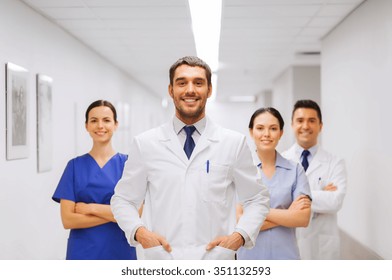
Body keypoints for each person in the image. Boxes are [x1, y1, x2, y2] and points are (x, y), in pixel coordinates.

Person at [111, 56, 270, 260]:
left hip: (216, 261)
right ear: (171, 90)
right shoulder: (146, 144)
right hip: (163, 261)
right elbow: (123, 199)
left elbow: (257, 198)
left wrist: (239, 237)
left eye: (198, 82)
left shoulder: (233, 143)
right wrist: (140, 233)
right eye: (182, 82)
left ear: (209, 90)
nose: (190, 90)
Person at [52, 100, 137, 260]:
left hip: (119, 249)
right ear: (86, 126)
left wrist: (91, 208)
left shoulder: (129, 165)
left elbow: (134, 214)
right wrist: (116, 215)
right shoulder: (74, 166)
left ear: (116, 124)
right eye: (94, 120)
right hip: (83, 251)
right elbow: (68, 220)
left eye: (106, 120)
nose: (100, 126)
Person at [237, 107, 311, 260]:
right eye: (260, 128)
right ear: (251, 132)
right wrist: (288, 215)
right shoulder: (240, 170)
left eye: (273, 128)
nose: (266, 134)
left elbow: (303, 219)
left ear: (281, 133)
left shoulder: (295, 170)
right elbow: (240, 220)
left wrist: (254, 211)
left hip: (286, 257)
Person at [282, 99, 347, 259]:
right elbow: (276, 201)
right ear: (292, 125)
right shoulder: (281, 161)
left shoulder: (335, 162)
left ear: (320, 126)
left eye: (312, 120)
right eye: (300, 120)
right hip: (289, 242)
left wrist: (295, 195)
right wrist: (319, 194)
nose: (305, 126)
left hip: (322, 248)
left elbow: (335, 202)